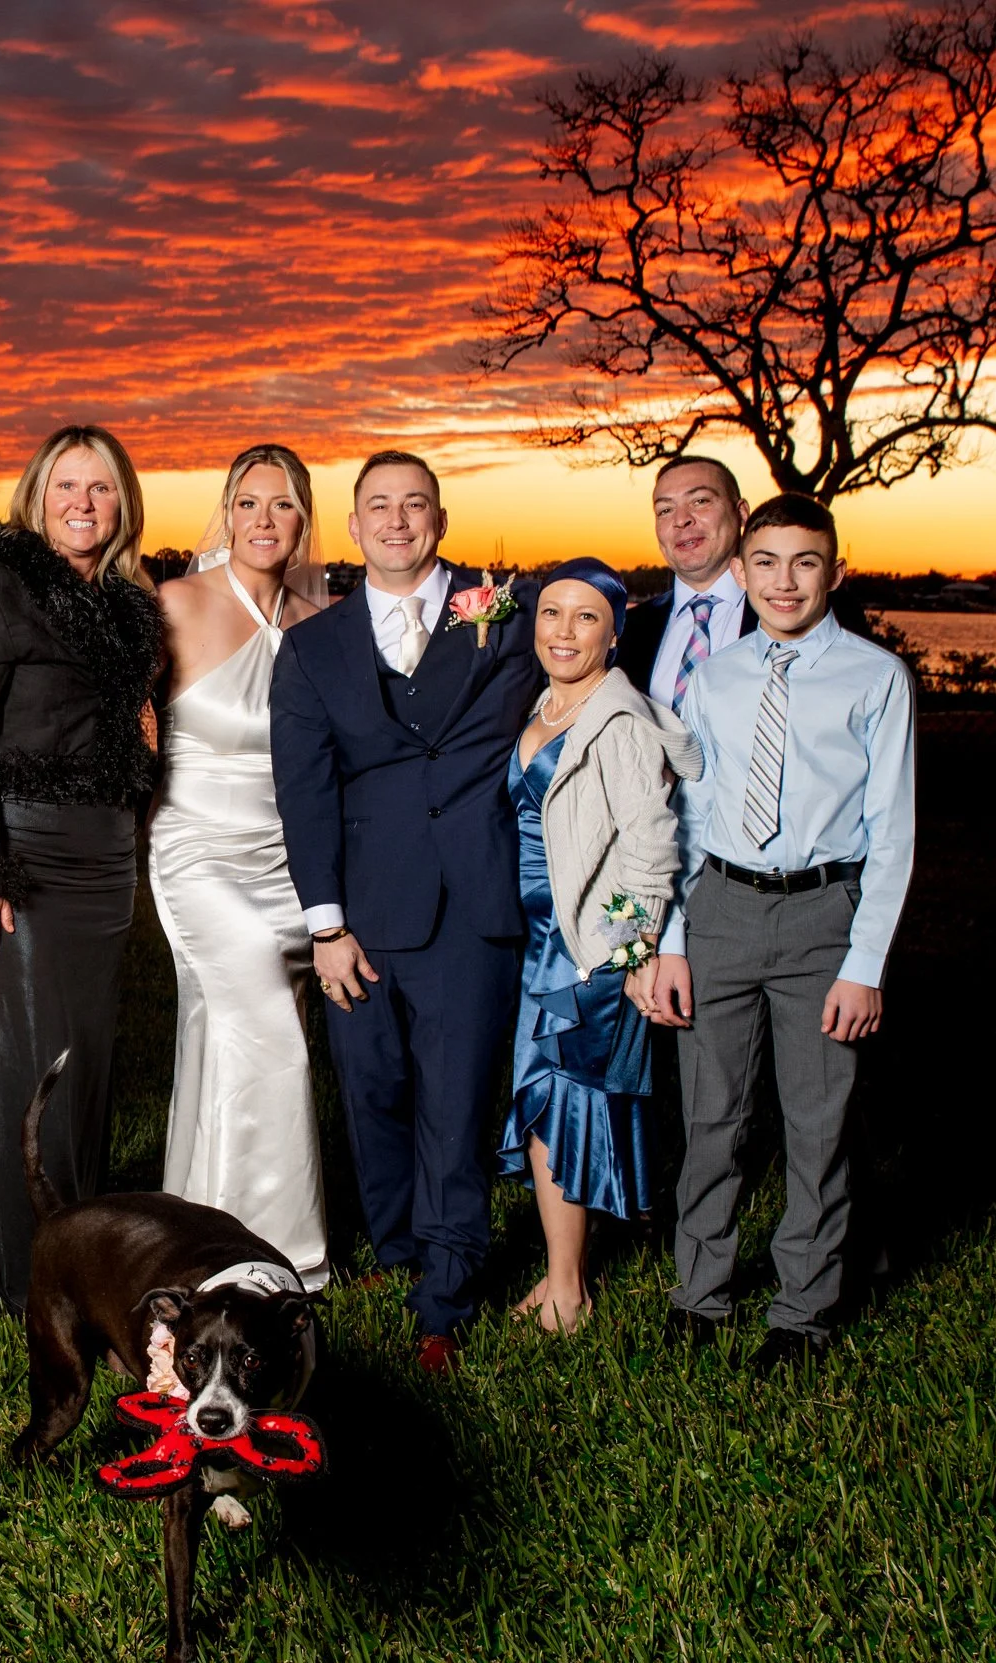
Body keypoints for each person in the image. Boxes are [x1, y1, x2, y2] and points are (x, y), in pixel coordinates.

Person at [268, 450, 539, 1373]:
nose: (396, 520)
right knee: (374, 1089)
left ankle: (446, 1295)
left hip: (473, 900)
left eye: (413, 504)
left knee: (455, 1101)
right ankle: (396, 1248)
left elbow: (601, 638)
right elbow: (302, 788)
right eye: (377, 506)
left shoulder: (507, 609)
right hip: (366, 910)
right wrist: (327, 924)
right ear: (353, 527)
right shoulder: (315, 644)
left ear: (440, 517)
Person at [650, 493, 916, 1373]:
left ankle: (802, 1306)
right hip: (722, 904)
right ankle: (701, 1291)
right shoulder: (716, 677)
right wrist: (675, 938)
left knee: (817, 1121)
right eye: (765, 562)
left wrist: (864, 963)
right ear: (740, 571)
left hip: (821, 916)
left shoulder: (877, 677)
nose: (784, 580)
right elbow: (691, 811)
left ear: (836, 570)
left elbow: (893, 829)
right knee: (712, 1115)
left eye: (805, 562)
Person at [0, 424, 162, 1315]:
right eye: (67, 485)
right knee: (30, 1065)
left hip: (106, 857)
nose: (83, 503)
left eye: (101, 489)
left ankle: (83, 1254)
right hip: (24, 856)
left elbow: (136, 724)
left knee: (90, 1061)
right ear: (36, 494)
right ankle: (9, 1274)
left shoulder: (128, 601)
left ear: (122, 504)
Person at [495, 558, 702, 1333]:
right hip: (536, 938)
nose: (565, 631)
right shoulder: (540, 704)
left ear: (615, 632)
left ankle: (567, 1287)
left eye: (586, 618)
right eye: (552, 614)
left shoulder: (616, 721)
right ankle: (563, 1276)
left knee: (562, 1109)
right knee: (552, 1105)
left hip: (581, 948)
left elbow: (652, 851)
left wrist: (621, 951)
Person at [149, 443, 331, 1288]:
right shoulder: (177, 604)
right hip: (193, 845)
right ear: (226, 512)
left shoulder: (314, 621)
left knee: (229, 1029)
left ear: (303, 521)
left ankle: (193, 1223)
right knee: (265, 1012)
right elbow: (121, 720)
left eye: (283, 504)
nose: (265, 520)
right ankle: (280, 1251)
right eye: (250, 503)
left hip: (282, 852)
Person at [619, 455, 755, 709]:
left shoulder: (792, 617)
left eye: (700, 501)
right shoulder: (628, 631)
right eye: (665, 510)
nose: (681, 520)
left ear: (741, 513)